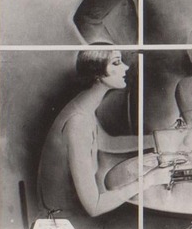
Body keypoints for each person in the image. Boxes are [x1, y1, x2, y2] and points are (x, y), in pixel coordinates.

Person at [36, 49, 158, 220]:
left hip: (71, 216)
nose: (126, 67)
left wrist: (156, 139)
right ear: (97, 74)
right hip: (68, 225)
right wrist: (150, 180)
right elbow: (94, 207)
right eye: (116, 62)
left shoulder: (83, 105)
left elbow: (107, 143)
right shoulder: (78, 123)